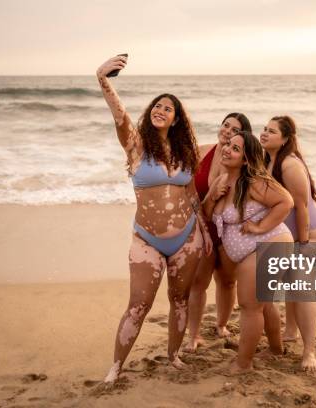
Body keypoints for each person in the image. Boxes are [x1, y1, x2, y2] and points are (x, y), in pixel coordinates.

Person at [96, 55, 212, 383]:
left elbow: (191, 195)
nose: (160, 110)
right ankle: (116, 367)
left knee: (179, 301)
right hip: (146, 238)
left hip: (186, 238)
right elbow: (120, 118)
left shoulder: (185, 153)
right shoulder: (136, 146)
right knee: (139, 305)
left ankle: (173, 356)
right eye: (156, 106)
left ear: (176, 120)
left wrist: (202, 232)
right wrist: (102, 79)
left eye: (168, 108)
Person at [203, 131, 293, 372]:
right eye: (228, 145)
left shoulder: (253, 181)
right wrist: (212, 197)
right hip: (250, 251)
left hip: (270, 242)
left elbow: (286, 201)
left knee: (250, 306)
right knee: (263, 304)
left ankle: (243, 364)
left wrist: (261, 226)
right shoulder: (222, 181)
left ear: (246, 159)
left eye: (235, 148)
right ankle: (275, 349)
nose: (227, 150)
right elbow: (206, 212)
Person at [260, 115, 316, 372]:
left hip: (309, 232)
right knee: (290, 284)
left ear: (286, 138)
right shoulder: (269, 160)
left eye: (272, 131)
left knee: (301, 289)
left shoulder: (289, 164)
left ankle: (309, 352)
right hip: (287, 235)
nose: (265, 134)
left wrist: (302, 243)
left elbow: (302, 207)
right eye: (264, 129)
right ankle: (290, 332)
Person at [186, 113, 252, 352]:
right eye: (225, 125)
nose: (227, 131)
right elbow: (186, 189)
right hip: (201, 227)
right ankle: (193, 335)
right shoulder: (202, 151)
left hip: (228, 229)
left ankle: (221, 325)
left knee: (226, 281)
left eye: (234, 129)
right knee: (198, 283)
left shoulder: (241, 164)